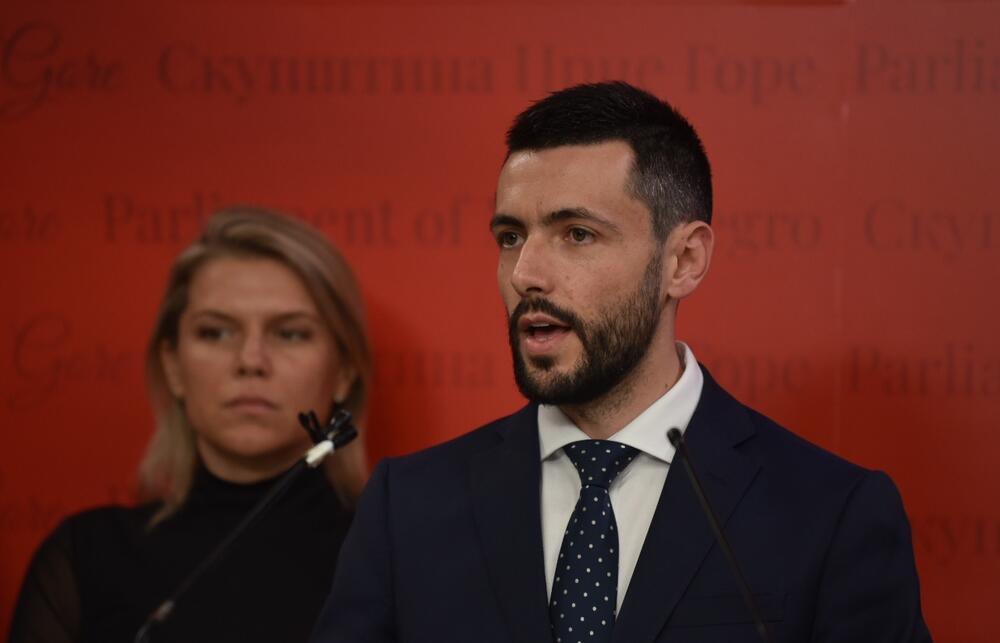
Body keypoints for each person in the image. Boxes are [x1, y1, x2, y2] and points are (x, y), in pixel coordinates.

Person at [309, 82, 932, 642]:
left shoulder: (830, 514)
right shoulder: (407, 507)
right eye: (511, 237)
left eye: (577, 234)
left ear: (683, 261)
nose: (525, 273)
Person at [10, 208, 373, 643]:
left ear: (344, 370)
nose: (250, 360)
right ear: (173, 366)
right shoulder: (85, 557)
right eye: (215, 332)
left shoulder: (397, 556)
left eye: (290, 333)